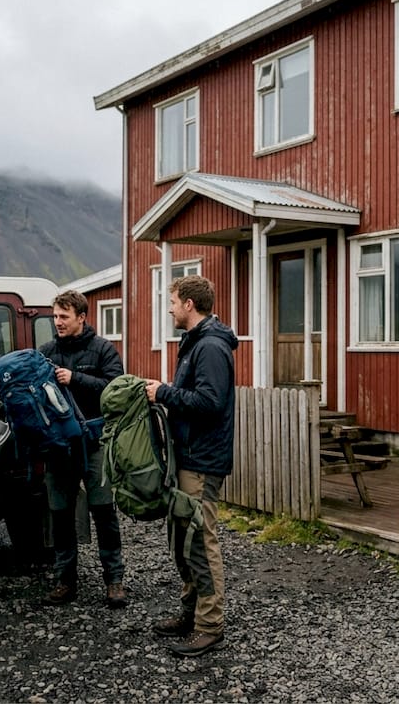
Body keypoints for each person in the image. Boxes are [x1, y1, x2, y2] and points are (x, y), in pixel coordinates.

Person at [144, 275, 239, 657]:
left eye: (172, 301)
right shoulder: (196, 343)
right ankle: (191, 612)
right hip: (189, 457)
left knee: (200, 540)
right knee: (183, 539)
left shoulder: (212, 346)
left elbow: (210, 402)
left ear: (189, 304)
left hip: (202, 460)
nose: (168, 308)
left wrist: (164, 392)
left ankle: (210, 626)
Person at [38, 290, 128, 608]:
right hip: (59, 446)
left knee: (104, 512)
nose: (58, 322)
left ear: (81, 317)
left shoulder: (103, 349)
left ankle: (114, 581)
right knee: (60, 515)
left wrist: (75, 378)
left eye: (64, 316)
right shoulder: (46, 352)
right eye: (55, 316)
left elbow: (115, 388)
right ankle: (65, 582)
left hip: (94, 442)